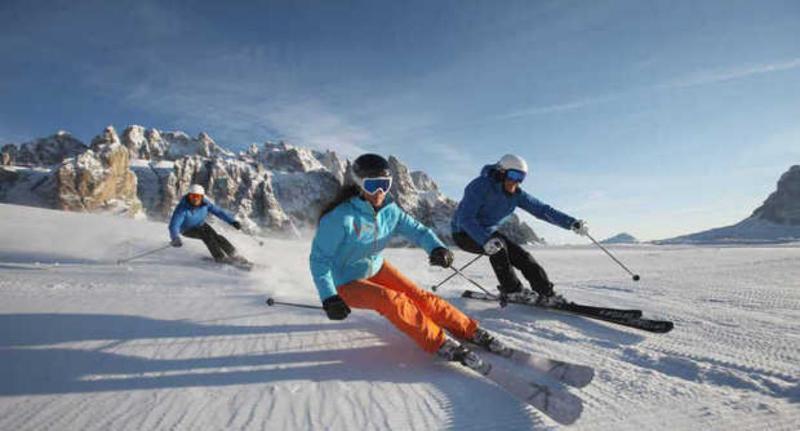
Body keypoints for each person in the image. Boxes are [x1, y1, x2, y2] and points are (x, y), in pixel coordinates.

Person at [309, 153, 505, 369]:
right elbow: (320, 260)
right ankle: (439, 342)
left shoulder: (389, 211)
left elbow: (419, 231)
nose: (380, 192)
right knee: (392, 300)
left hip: (375, 267)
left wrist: (436, 247)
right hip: (345, 281)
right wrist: (329, 297)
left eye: (385, 184)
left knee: (420, 297)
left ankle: (469, 330)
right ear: (358, 184)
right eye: (372, 185)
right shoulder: (340, 217)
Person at [451, 154, 589, 305]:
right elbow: (465, 218)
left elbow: (542, 210)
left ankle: (547, 294)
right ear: (501, 172)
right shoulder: (480, 186)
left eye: (521, 177)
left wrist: (571, 223)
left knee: (523, 256)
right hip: (464, 233)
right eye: (513, 175)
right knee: (499, 249)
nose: (516, 181)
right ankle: (512, 291)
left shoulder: (517, 195)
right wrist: (485, 240)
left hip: (489, 233)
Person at [168, 184, 247, 264]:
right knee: (207, 237)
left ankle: (234, 255)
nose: (195, 199)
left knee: (217, 237)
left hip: (201, 225)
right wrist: (175, 237)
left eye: (197, 197)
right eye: (193, 196)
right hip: (187, 230)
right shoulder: (182, 209)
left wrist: (232, 221)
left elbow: (219, 212)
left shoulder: (205, 204)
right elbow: (174, 225)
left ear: (202, 197)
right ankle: (220, 257)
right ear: (189, 196)